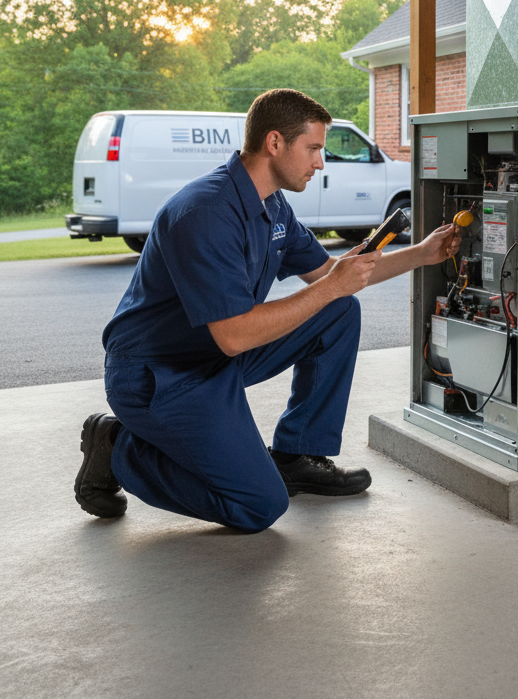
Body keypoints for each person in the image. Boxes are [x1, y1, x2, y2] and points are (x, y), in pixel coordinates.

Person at [74, 88, 460, 533]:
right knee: (258, 505)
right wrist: (332, 286)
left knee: (339, 312)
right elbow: (235, 334)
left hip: (216, 357)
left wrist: (422, 253)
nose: (320, 162)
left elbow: (334, 275)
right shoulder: (204, 212)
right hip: (159, 376)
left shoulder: (273, 207)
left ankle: (296, 454)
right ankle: (117, 447)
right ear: (274, 143)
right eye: (313, 148)